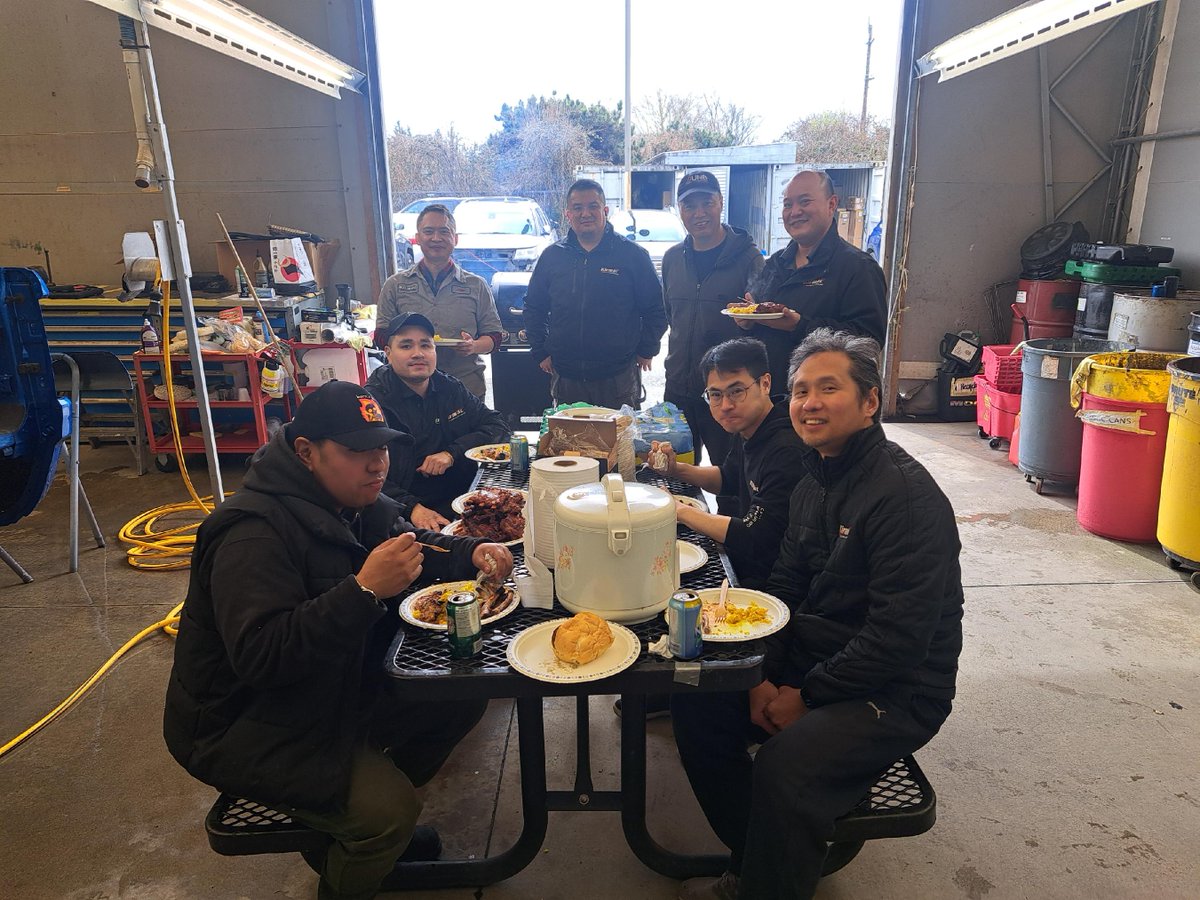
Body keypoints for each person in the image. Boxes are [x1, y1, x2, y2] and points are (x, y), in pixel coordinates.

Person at [163, 381, 515, 900]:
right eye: (357, 451)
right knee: (389, 813)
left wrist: (472, 550)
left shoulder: (352, 498)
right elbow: (263, 658)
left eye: (382, 447)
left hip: (328, 687)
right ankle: (364, 840)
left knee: (459, 699)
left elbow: (411, 541)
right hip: (244, 721)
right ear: (307, 452)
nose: (378, 464)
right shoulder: (251, 533)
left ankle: (345, 825)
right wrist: (365, 590)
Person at [672, 328, 964, 900]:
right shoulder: (815, 476)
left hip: (899, 689)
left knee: (787, 767)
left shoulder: (903, 496)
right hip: (816, 662)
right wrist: (769, 675)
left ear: (870, 401)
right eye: (801, 389)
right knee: (697, 704)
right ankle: (759, 862)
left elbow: (898, 639)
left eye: (828, 388)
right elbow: (783, 587)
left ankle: (764, 879)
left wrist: (806, 697)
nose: (810, 403)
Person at [649, 337, 803, 590]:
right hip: (750, 561)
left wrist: (679, 510)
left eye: (736, 391)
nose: (726, 406)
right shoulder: (752, 426)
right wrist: (676, 469)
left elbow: (754, 535)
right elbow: (729, 478)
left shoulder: (785, 448)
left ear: (765, 383)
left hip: (772, 581)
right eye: (715, 395)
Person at [736, 170, 887, 396]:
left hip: (822, 404)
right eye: (788, 204)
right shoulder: (776, 264)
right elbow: (759, 328)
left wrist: (800, 325)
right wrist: (748, 322)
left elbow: (868, 342)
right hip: (770, 402)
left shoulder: (857, 267)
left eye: (805, 202)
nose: (795, 212)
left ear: (831, 204)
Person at [524, 178, 667, 409]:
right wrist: (539, 350)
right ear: (568, 214)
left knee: (618, 444)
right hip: (567, 378)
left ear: (605, 210)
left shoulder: (632, 256)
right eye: (577, 208)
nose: (585, 214)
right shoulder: (552, 257)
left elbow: (656, 309)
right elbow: (534, 307)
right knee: (570, 444)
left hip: (617, 378)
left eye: (593, 206)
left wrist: (647, 349)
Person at [366, 312, 510, 530]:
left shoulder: (450, 387)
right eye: (406, 346)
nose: (418, 354)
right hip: (404, 512)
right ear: (388, 353)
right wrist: (411, 508)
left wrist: (452, 454)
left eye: (426, 345)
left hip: (465, 498)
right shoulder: (372, 402)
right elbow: (362, 473)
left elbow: (497, 426)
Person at [662, 171, 764, 473]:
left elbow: (759, 321)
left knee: (731, 479)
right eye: (689, 206)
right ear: (680, 210)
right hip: (679, 389)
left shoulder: (748, 258)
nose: (699, 213)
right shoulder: (671, 259)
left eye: (707, 203)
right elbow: (672, 316)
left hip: (728, 393)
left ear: (720, 203)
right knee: (674, 473)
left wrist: (750, 322)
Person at [376, 203, 503, 399]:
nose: (436, 238)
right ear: (417, 238)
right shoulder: (394, 285)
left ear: (455, 238)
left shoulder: (476, 286)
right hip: (408, 389)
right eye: (429, 231)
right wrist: (408, 346)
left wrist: (473, 346)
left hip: (465, 387)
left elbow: (495, 337)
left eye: (444, 231)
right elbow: (381, 335)